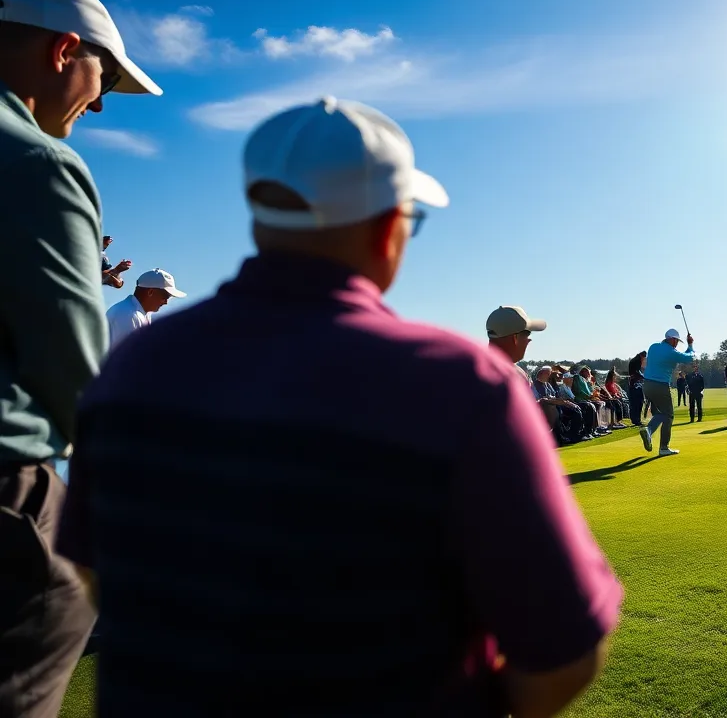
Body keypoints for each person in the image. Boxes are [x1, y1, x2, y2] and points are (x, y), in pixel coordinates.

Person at [57, 97, 621, 715]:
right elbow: (565, 648)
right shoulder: (462, 384)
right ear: (389, 227)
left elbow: (96, 575)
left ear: (260, 216)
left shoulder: (134, 364)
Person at [0, 0, 161, 718]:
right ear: (65, 50)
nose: (99, 103)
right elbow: (76, 374)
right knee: (65, 597)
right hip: (9, 491)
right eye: (102, 78)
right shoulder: (39, 161)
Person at [640, 328, 695, 455]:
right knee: (668, 414)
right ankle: (662, 446)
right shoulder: (672, 352)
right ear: (672, 339)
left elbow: (680, 356)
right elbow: (689, 358)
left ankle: (648, 431)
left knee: (660, 412)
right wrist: (690, 344)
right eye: (676, 341)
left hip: (646, 385)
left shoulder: (653, 347)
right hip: (660, 385)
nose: (676, 343)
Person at [104, 267, 187, 350]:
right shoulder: (129, 315)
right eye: (166, 296)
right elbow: (128, 358)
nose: (166, 302)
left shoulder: (137, 312)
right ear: (150, 292)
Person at [486, 305, 546, 385]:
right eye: (527, 335)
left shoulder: (469, 369)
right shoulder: (517, 376)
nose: (529, 341)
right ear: (515, 338)